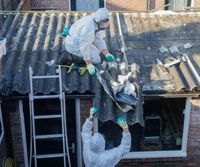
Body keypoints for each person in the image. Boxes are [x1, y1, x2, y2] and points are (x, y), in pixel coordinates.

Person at [64, 8, 116, 75]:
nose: (104, 23)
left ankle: (82, 61)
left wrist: (107, 53)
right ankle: (77, 62)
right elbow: (84, 46)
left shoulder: (95, 21)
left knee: (97, 54)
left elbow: (98, 40)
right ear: (98, 20)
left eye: (105, 21)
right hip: (74, 45)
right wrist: (89, 64)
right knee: (96, 59)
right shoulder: (88, 27)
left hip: (81, 41)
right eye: (103, 22)